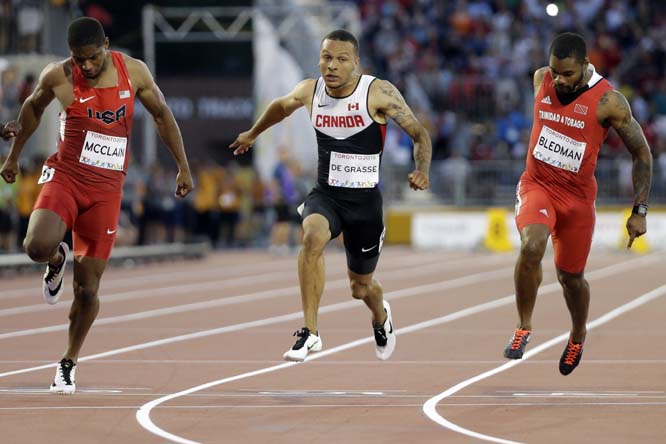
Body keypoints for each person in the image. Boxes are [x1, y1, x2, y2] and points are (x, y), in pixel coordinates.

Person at [0, 17, 194, 393]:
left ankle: (68, 362)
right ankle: (57, 258)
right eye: (79, 59)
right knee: (35, 246)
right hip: (66, 177)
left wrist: (183, 167)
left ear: (106, 44)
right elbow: (32, 108)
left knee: (87, 290)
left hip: (106, 190)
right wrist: (13, 156)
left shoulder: (133, 71)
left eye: (91, 58)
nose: (85, 66)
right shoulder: (59, 75)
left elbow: (161, 115)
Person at [230, 29, 431, 362]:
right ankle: (310, 333)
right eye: (326, 58)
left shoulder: (377, 92)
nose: (332, 66)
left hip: (365, 205)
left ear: (356, 63)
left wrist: (422, 169)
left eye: (341, 59)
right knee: (311, 237)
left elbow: (419, 134)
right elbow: (281, 106)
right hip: (326, 195)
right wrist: (252, 133)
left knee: (361, 288)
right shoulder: (311, 91)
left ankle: (381, 315)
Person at [504, 33, 652, 375]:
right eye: (556, 71)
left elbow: (641, 153)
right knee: (532, 246)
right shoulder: (541, 79)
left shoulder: (609, 102)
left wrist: (639, 210)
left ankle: (577, 334)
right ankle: (523, 327)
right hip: (537, 185)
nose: (559, 79)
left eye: (568, 74)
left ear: (586, 65)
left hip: (577, 200)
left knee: (571, 279)